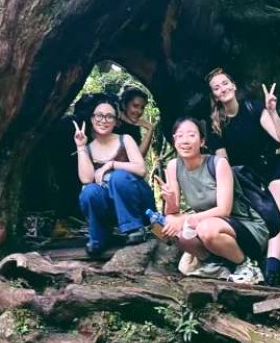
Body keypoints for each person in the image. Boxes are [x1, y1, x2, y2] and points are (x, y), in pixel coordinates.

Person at [206, 68, 280, 285]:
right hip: (247, 178)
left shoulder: (254, 108)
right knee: (250, 221)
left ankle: (271, 274)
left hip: (276, 169)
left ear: (234, 85)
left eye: (225, 83)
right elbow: (222, 163)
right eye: (217, 87)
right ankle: (249, 266)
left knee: (276, 218)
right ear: (214, 96)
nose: (223, 89)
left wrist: (273, 112)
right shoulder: (216, 125)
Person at [158, 117, 266, 284]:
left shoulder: (217, 164)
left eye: (191, 135)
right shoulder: (173, 166)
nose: (185, 140)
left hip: (245, 225)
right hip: (208, 225)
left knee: (205, 228)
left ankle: (248, 267)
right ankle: (216, 266)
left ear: (202, 141)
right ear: (174, 141)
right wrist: (171, 202)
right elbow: (172, 214)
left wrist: (188, 219)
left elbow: (224, 210)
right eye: (179, 136)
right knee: (170, 228)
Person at [74, 93, 155, 257]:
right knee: (89, 191)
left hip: (138, 203)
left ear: (116, 122)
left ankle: (134, 228)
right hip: (112, 208)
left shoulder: (125, 140)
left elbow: (141, 169)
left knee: (119, 177)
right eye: (99, 115)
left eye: (109, 116)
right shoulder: (89, 148)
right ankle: (99, 237)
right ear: (91, 119)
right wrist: (81, 147)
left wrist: (111, 164)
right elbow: (86, 179)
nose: (103, 120)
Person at [118, 85, 157, 157]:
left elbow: (139, 157)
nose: (139, 111)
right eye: (135, 106)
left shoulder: (134, 128)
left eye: (142, 107)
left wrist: (150, 129)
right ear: (124, 105)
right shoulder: (112, 123)